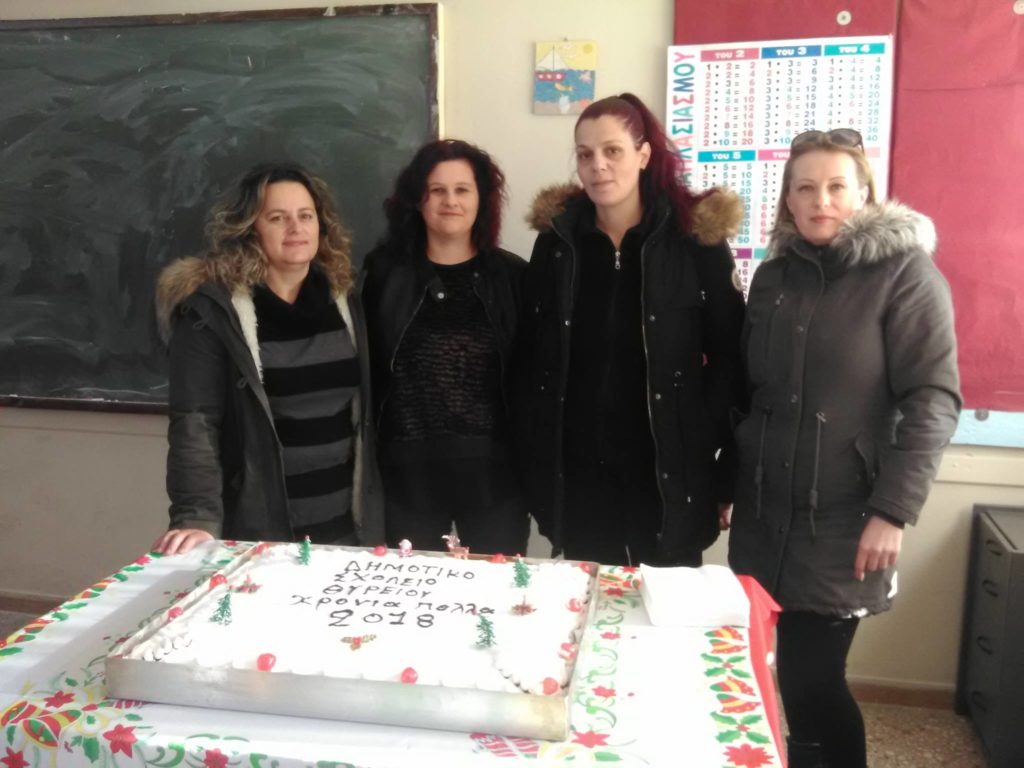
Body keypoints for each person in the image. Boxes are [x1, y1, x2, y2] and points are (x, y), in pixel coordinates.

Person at [725, 129, 961, 767]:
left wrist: (893, 511)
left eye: (836, 186)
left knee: (813, 681)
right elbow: (751, 392)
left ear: (864, 194)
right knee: (780, 677)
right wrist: (727, 485)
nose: (820, 200)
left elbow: (933, 400)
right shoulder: (774, 277)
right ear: (787, 200)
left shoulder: (905, 275)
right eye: (805, 188)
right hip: (764, 515)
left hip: (846, 521)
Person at [516, 93, 746, 567]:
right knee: (587, 602)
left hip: (666, 476)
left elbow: (732, 358)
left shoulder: (694, 241)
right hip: (581, 477)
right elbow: (533, 355)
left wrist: (708, 447)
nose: (597, 166)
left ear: (643, 155)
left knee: (666, 607)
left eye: (612, 151)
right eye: (585, 154)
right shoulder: (558, 244)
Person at [152, 163, 383, 555]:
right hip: (261, 530)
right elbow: (196, 422)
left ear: (321, 225)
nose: (295, 228)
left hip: (345, 526)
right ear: (249, 229)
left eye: (305, 216)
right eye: (277, 218)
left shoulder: (346, 299)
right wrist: (197, 516)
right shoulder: (213, 313)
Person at [361, 139, 529, 554]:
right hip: (407, 478)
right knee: (413, 592)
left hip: (495, 478)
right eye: (437, 190)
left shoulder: (514, 277)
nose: (450, 201)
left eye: (462, 190)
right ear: (417, 200)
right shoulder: (382, 275)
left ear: (481, 200)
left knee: (494, 589)